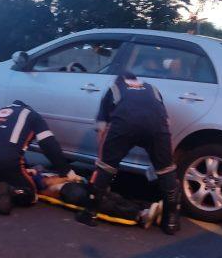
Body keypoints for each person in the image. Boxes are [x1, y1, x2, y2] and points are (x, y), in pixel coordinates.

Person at [76, 73, 180, 235]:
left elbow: (102, 128)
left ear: (120, 80)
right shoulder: (152, 89)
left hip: (125, 125)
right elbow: (166, 123)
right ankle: (171, 222)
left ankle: (90, 213)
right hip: (157, 128)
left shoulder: (114, 88)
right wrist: (167, 161)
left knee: (106, 167)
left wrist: (102, 160)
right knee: (166, 171)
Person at [0, 100, 81, 215]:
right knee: (31, 196)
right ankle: (13, 192)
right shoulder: (32, 115)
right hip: (5, 160)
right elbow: (49, 145)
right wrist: (65, 171)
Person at [34, 170, 162, 229]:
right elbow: (45, 184)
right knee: (101, 202)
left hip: (74, 185)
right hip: (65, 190)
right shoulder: (34, 177)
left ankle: (147, 208)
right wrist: (67, 177)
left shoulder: (37, 170)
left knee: (112, 196)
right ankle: (139, 215)